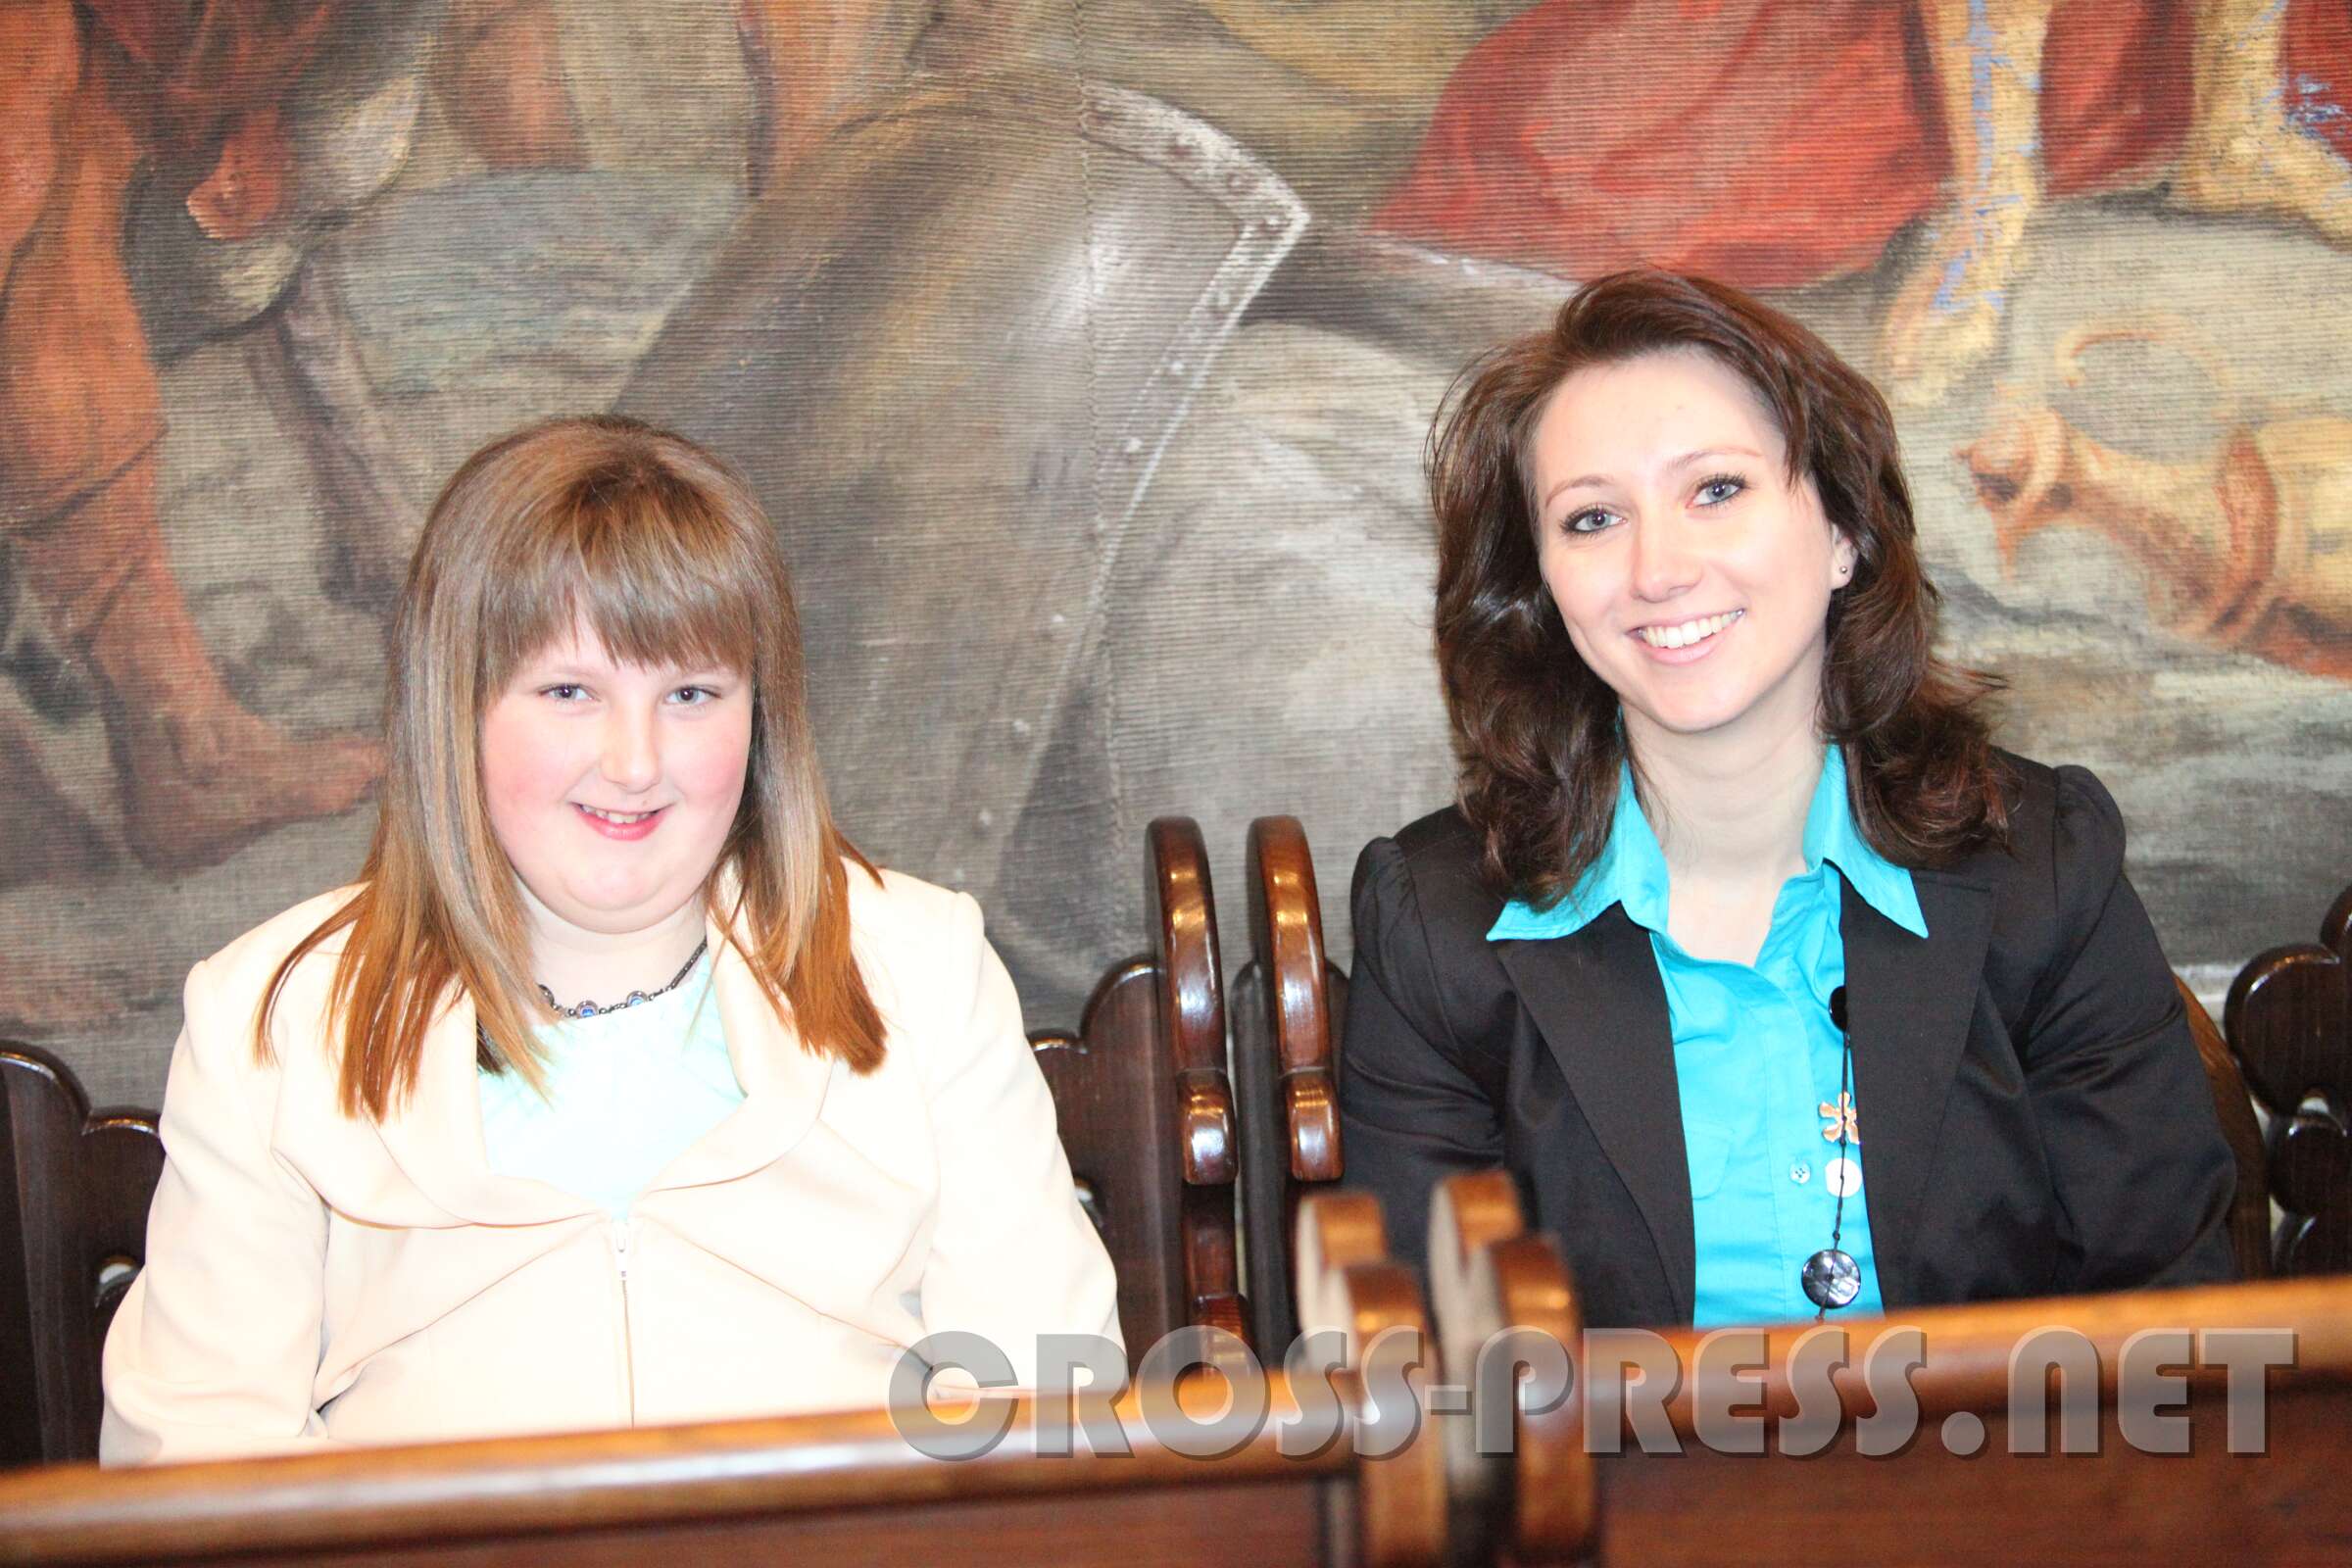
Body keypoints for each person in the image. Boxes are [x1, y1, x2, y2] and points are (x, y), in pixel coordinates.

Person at [100, 416, 1118, 1463]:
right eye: (569, 692)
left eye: (690, 694)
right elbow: (196, 1464)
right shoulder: (267, 1024)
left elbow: (1056, 1419)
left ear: (761, 715)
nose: (634, 764)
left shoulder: (924, 969)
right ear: (456, 708)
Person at [1338, 270, 2236, 1329]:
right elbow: (1428, 1381)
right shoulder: (1435, 928)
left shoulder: (2041, 866)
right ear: (1542, 586)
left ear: (1844, 532)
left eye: (1716, 490)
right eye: (1593, 517)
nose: (1658, 569)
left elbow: (2174, 1325)